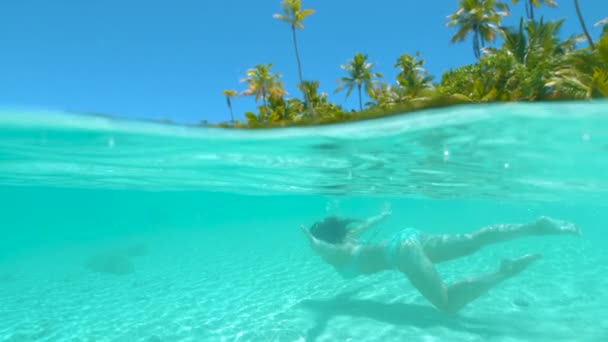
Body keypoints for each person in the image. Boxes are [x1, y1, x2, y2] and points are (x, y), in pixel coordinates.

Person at [300, 206, 580, 314]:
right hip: (409, 237)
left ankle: (503, 272)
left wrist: (314, 244)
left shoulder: (335, 254)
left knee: (446, 304)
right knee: (472, 240)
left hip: (401, 253)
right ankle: (534, 227)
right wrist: (384, 216)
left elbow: (325, 251)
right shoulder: (349, 239)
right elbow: (366, 223)